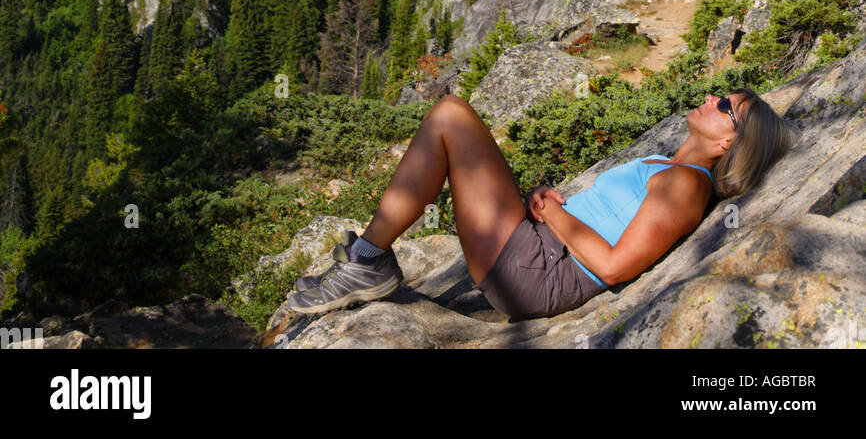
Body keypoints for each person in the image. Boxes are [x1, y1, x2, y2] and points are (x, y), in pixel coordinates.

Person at [286, 87, 797, 321]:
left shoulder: (689, 185)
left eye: (725, 106)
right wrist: (549, 206)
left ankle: (368, 262)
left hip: (540, 274)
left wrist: (553, 214)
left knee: (449, 115)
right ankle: (367, 260)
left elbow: (616, 267)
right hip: (539, 249)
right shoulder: (671, 168)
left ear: (731, 142)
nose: (712, 99)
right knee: (450, 118)